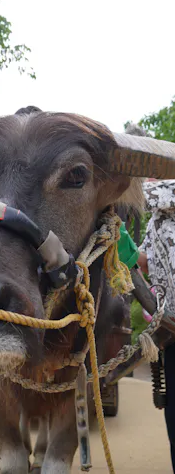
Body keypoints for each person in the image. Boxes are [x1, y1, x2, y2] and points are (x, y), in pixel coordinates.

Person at [138, 178, 175, 472]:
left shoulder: (169, 193)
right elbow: (145, 261)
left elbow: (149, 195)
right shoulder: (154, 222)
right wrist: (118, 242)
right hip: (172, 331)